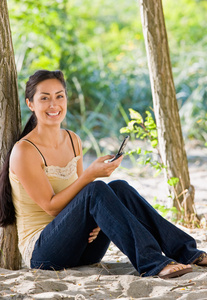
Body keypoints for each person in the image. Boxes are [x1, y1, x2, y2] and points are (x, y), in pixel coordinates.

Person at [0, 70, 206, 279]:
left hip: (84, 247)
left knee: (119, 188)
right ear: (30, 104)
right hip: (44, 254)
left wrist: (98, 220)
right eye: (44, 98)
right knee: (95, 188)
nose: (54, 104)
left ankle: (186, 252)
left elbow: (80, 200)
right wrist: (90, 175)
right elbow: (52, 207)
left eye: (59, 96)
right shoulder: (24, 151)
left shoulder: (73, 140)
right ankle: (153, 262)